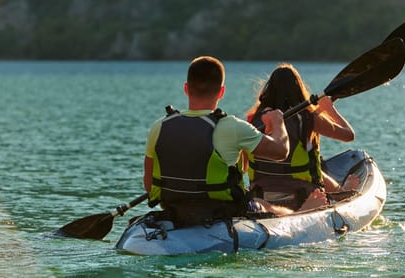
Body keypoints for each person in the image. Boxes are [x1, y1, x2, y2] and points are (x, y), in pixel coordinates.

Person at [143, 56, 293, 225]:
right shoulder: (233, 127)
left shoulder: (159, 126)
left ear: (186, 88)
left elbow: (149, 185)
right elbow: (281, 151)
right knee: (270, 208)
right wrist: (279, 123)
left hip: (174, 210)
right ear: (222, 92)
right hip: (221, 212)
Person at [244, 63, 358, 211]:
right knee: (310, 168)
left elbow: (244, 166)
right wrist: (330, 109)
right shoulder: (308, 118)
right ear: (299, 90)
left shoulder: (253, 120)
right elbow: (348, 135)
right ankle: (341, 193)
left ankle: (340, 191)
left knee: (310, 170)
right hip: (304, 197)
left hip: (260, 197)